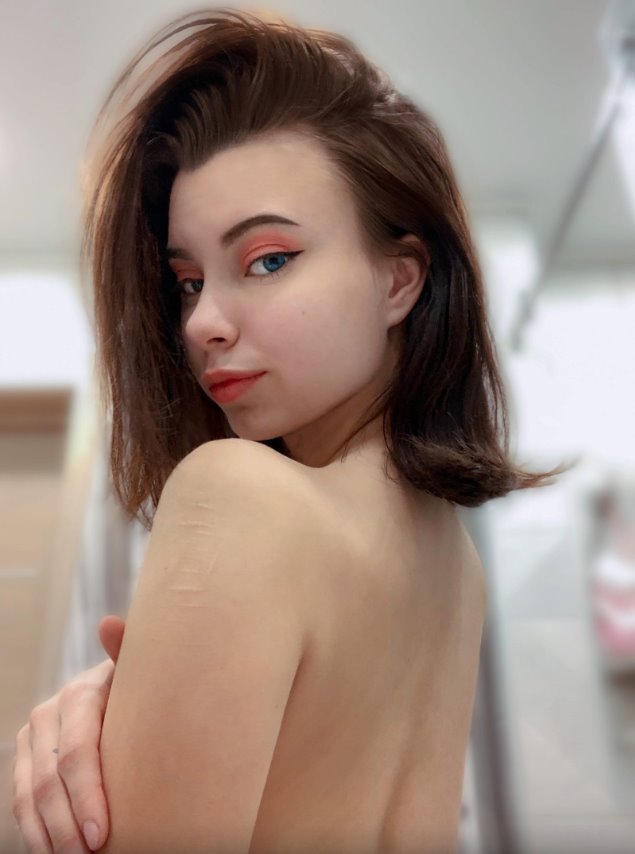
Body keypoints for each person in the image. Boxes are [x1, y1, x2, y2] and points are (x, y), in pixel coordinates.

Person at [12, 7, 572, 853]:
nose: (203, 323)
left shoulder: (236, 493)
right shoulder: (453, 569)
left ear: (399, 280)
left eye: (267, 260)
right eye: (189, 281)